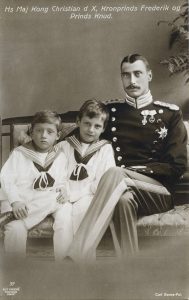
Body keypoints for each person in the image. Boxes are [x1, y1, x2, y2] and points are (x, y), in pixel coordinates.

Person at [65, 53, 187, 263]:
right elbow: (77, 138)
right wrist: (37, 144)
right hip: (118, 189)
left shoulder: (170, 114)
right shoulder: (111, 111)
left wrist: (131, 172)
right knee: (123, 200)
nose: (131, 81)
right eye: (126, 75)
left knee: (116, 174)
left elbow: (177, 166)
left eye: (137, 74)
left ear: (149, 76)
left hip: (158, 192)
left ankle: (77, 256)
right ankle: (129, 269)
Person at [52, 99, 121, 260]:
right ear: (78, 122)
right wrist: (62, 188)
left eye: (97, 126)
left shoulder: (105, 149)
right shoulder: (64, 146)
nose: (91, 130)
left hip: (89, 196)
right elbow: (54, 172)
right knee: (62, 222)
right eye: (87, 123)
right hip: (64, 196)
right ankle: (61, 268)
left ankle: (83, 268)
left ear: (103, 128)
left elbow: (104, 181)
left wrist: (75, 194)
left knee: (82, 216)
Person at [0, 110, 69, 257]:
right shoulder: (19, 153)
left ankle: (64, 262)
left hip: (42, 200)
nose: (43, 136)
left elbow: (62, 179)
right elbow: (6, 179)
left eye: (49, 132)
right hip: (20, 201)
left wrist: (63, 188)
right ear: (31, 133)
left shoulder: (60, 156)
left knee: (63, 204)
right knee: (15, 230)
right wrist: (16, 201)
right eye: (39, 130)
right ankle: (16, 273)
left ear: (58, 136)